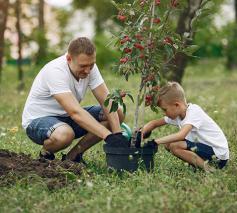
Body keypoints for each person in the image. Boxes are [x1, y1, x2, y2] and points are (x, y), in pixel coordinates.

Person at [22, 37, 128, 163]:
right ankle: (46, 153)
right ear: (69, 59)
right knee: (65, 134)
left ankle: (72, 157)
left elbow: (107, 101)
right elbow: (75, 112)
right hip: (39, 121)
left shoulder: (89, 66)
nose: (88, 71)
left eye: (91, 65)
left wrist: (117, 134)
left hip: (67, 118)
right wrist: (108, 136)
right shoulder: (55, 71)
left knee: (117, 112)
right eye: (83, 66)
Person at [142, 82, 229, 171]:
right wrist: (141, 132)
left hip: (218, 156)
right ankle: (199, 165)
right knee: (168, 144)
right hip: (206, 149)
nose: (164, 113)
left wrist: (155, 142)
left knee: (175, 146)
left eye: (165, 109)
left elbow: (181, 135)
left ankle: (210, 170)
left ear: (177, 105)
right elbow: (154, 123)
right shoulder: (179, 113)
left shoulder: (193, 112)